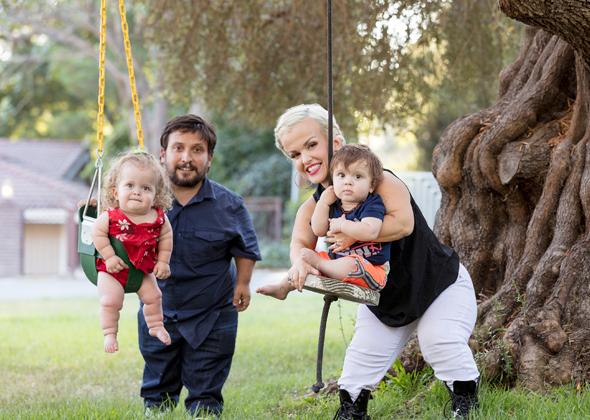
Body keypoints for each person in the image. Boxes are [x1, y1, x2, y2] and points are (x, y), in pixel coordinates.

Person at [258, 104, 479, 419]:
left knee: (438, 341)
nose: (304, 158)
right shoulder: (315, 206)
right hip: (385, 301)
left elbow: (403, 224)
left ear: (335, 143)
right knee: (357, 370)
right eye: (294, 154)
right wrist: (299, 263)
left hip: (438, 285)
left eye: (311, 145)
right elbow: (299, 243)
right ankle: (352, 413)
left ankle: (466, 403)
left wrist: (351, 232)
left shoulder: (380, 182)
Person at [139, 114, 261, 417]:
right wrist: (94, 212)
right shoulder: (144, 201)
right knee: (157, 392)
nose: (186, 158)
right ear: (163, 154)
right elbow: (113, 224)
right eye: (178, 148)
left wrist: (243, 283)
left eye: (197, 150)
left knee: (206, 398)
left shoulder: (230, 204)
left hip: (213, 313)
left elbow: (245, 247)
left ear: (209, 158)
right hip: (159, 311)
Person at [258, 144, 390, 300]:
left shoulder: (372, 203)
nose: (348, 182)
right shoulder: (334, 204)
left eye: (358, 176)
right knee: (304, 258)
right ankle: (283, 287)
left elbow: (371, 231)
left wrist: (342, 225)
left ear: (371, 185)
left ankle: (321, 265)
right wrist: (323, 203)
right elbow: (318, 230)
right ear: (333, 179)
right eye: (341, 175)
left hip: (370, 269)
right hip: (335, 263)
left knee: (350, 264)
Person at [93, 151, 173, 353]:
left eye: (146, 188)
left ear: (156, 195)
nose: (137, 192)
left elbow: (166, 239)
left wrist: (163, 262)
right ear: (115, 192)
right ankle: (110, 333)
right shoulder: (111, 216)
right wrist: (109, 256)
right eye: (129, 185)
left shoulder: (158, 218)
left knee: (154, 296)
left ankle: (156, 326)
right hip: (112, 270)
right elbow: (97, 234)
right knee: (111, 301)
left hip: (142, 270)